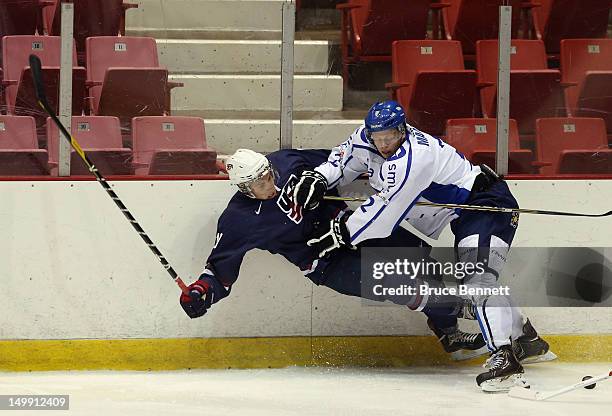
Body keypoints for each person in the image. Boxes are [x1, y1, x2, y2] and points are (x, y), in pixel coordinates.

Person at [292, 101, 555, 392]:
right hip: (464, 213)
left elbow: (383, 215)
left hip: (486, 206)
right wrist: (319, 176)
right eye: (377, 138)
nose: (383, 144)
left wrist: (342, 234)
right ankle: (528, 340)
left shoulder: (415, 158)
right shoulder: (365, 138)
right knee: (480, 278)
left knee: (478, 279)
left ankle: (504, 358)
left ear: (402, 130)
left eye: (389, 137)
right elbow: (341, 162)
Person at [179, 148, 487, 360]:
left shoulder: (284, 163)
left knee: (424, 263)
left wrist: (383, 173)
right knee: (403, 285)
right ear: (245, 188)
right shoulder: (239, 220)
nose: (270, 184)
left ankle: (450, 334)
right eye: (261, 183)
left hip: (352, 230)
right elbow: (219, 272)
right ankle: (465, 311)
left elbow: (337, 161)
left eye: (269, 175)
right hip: (328, 263)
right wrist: (201, 293)